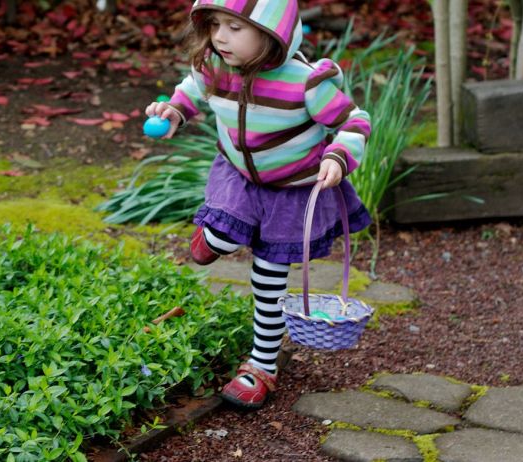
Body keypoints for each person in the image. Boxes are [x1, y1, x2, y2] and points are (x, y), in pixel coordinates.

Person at [145, 0, 372, 410]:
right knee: (223, 234)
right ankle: (215, 239)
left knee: (269, 282)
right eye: (215, 24)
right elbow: (191, 91)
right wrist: (174, 111)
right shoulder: (214, 67)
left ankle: (260, 367)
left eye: (235, 27)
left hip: (291, 191)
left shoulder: (306, 84)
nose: (219, 36)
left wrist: (338, 156)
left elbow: (354, 121)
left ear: (272, 33)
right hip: (238, 175)